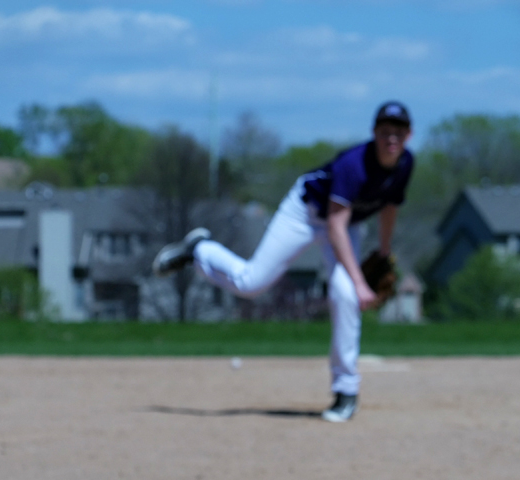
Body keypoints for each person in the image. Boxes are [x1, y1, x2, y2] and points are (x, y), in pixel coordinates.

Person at [153, 101, 415, 422]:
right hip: (305, 213)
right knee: (251, 283)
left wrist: (384, 251)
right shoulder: (354, 164)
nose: (392, 138)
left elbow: (390, 206)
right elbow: (334, 224)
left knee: (344, 295)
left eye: (398, 131)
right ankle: (200, 250)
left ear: (409, 135)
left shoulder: (405, 163)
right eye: (385, 131)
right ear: (374, 132)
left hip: (346, 224)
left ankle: (346, 391)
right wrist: (361, 283)